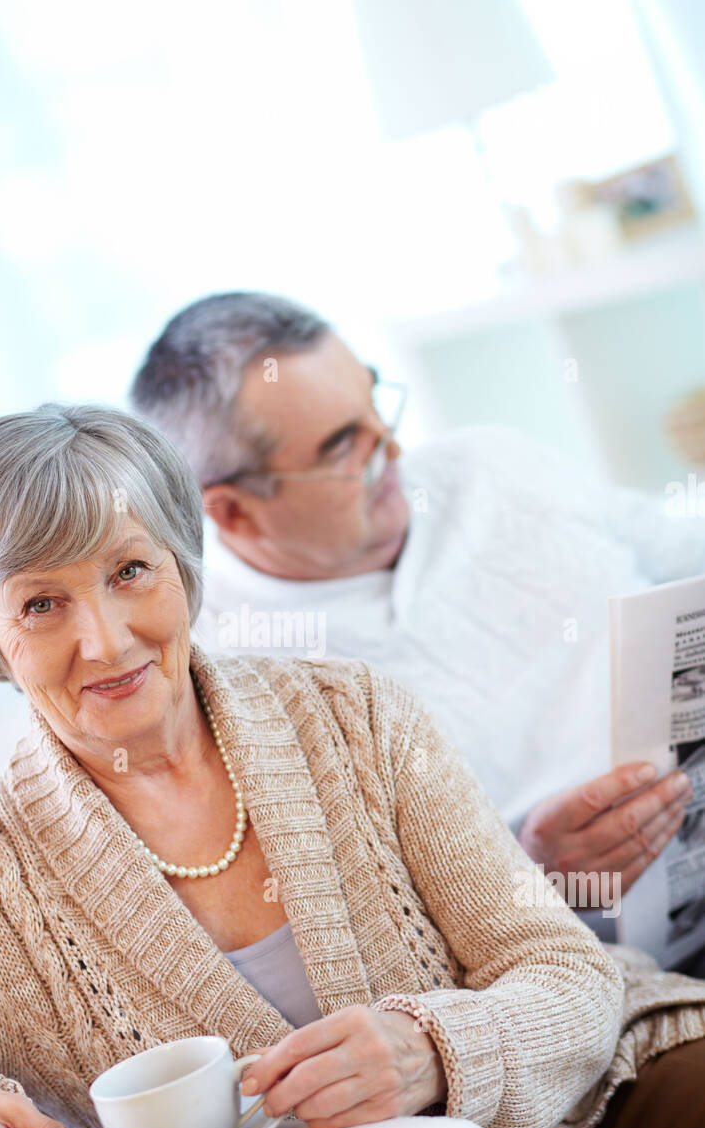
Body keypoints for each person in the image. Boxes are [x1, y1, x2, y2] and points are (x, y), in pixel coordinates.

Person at [0, 405, 705, 1128]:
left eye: (131, 570)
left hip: (595, 1078)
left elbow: (562, 968)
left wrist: (436, 1052)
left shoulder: (353, 716)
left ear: (183, 564)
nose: (103, 639)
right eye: (41, 603)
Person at [129, 292, 705, 953]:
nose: (396, 450)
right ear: (233, 513)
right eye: (346, 446)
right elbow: (363, 947)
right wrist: (526, 883)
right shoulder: (226, 679)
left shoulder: (492, 465)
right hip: (608, 964)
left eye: (377, 406)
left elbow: (680, 551)